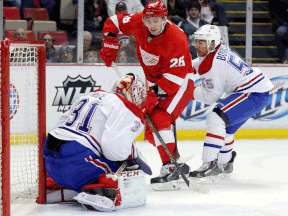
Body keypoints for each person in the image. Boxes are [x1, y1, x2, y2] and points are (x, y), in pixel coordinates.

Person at [99, 1, 198, 191]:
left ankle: (170, 166)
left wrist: (149, 98)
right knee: (150, 128)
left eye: (156, 21)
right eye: (148, 20)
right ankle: (175, 161)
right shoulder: (138, 22)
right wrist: (110, 42)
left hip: (181, 81)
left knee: (160, 117)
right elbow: (113, 22)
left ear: (164, 19)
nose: (151, 25)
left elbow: (172, 80)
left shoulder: (176, 38)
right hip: (154, 80)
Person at [44, 73, 151, 211]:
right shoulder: (127, 107)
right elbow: (113, 150)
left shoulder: (89, 96)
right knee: (127, 165)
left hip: (50, 163)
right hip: (77, 168)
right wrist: (131, 154)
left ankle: (61, 188)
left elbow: (60, 124)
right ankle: (103, 193)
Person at [188, 25, 274, 180]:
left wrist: (188, 92)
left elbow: (211, 97)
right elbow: (199, 63)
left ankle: (210, 164)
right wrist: (180, 69)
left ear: (213, 43)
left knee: (215, 119)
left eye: (202, 42)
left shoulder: (214, 64)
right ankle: (225, 163)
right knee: (225, 127)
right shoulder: (216, 49)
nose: (197, 45)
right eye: (197, 41)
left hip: (252, 93)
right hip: (255, 91)